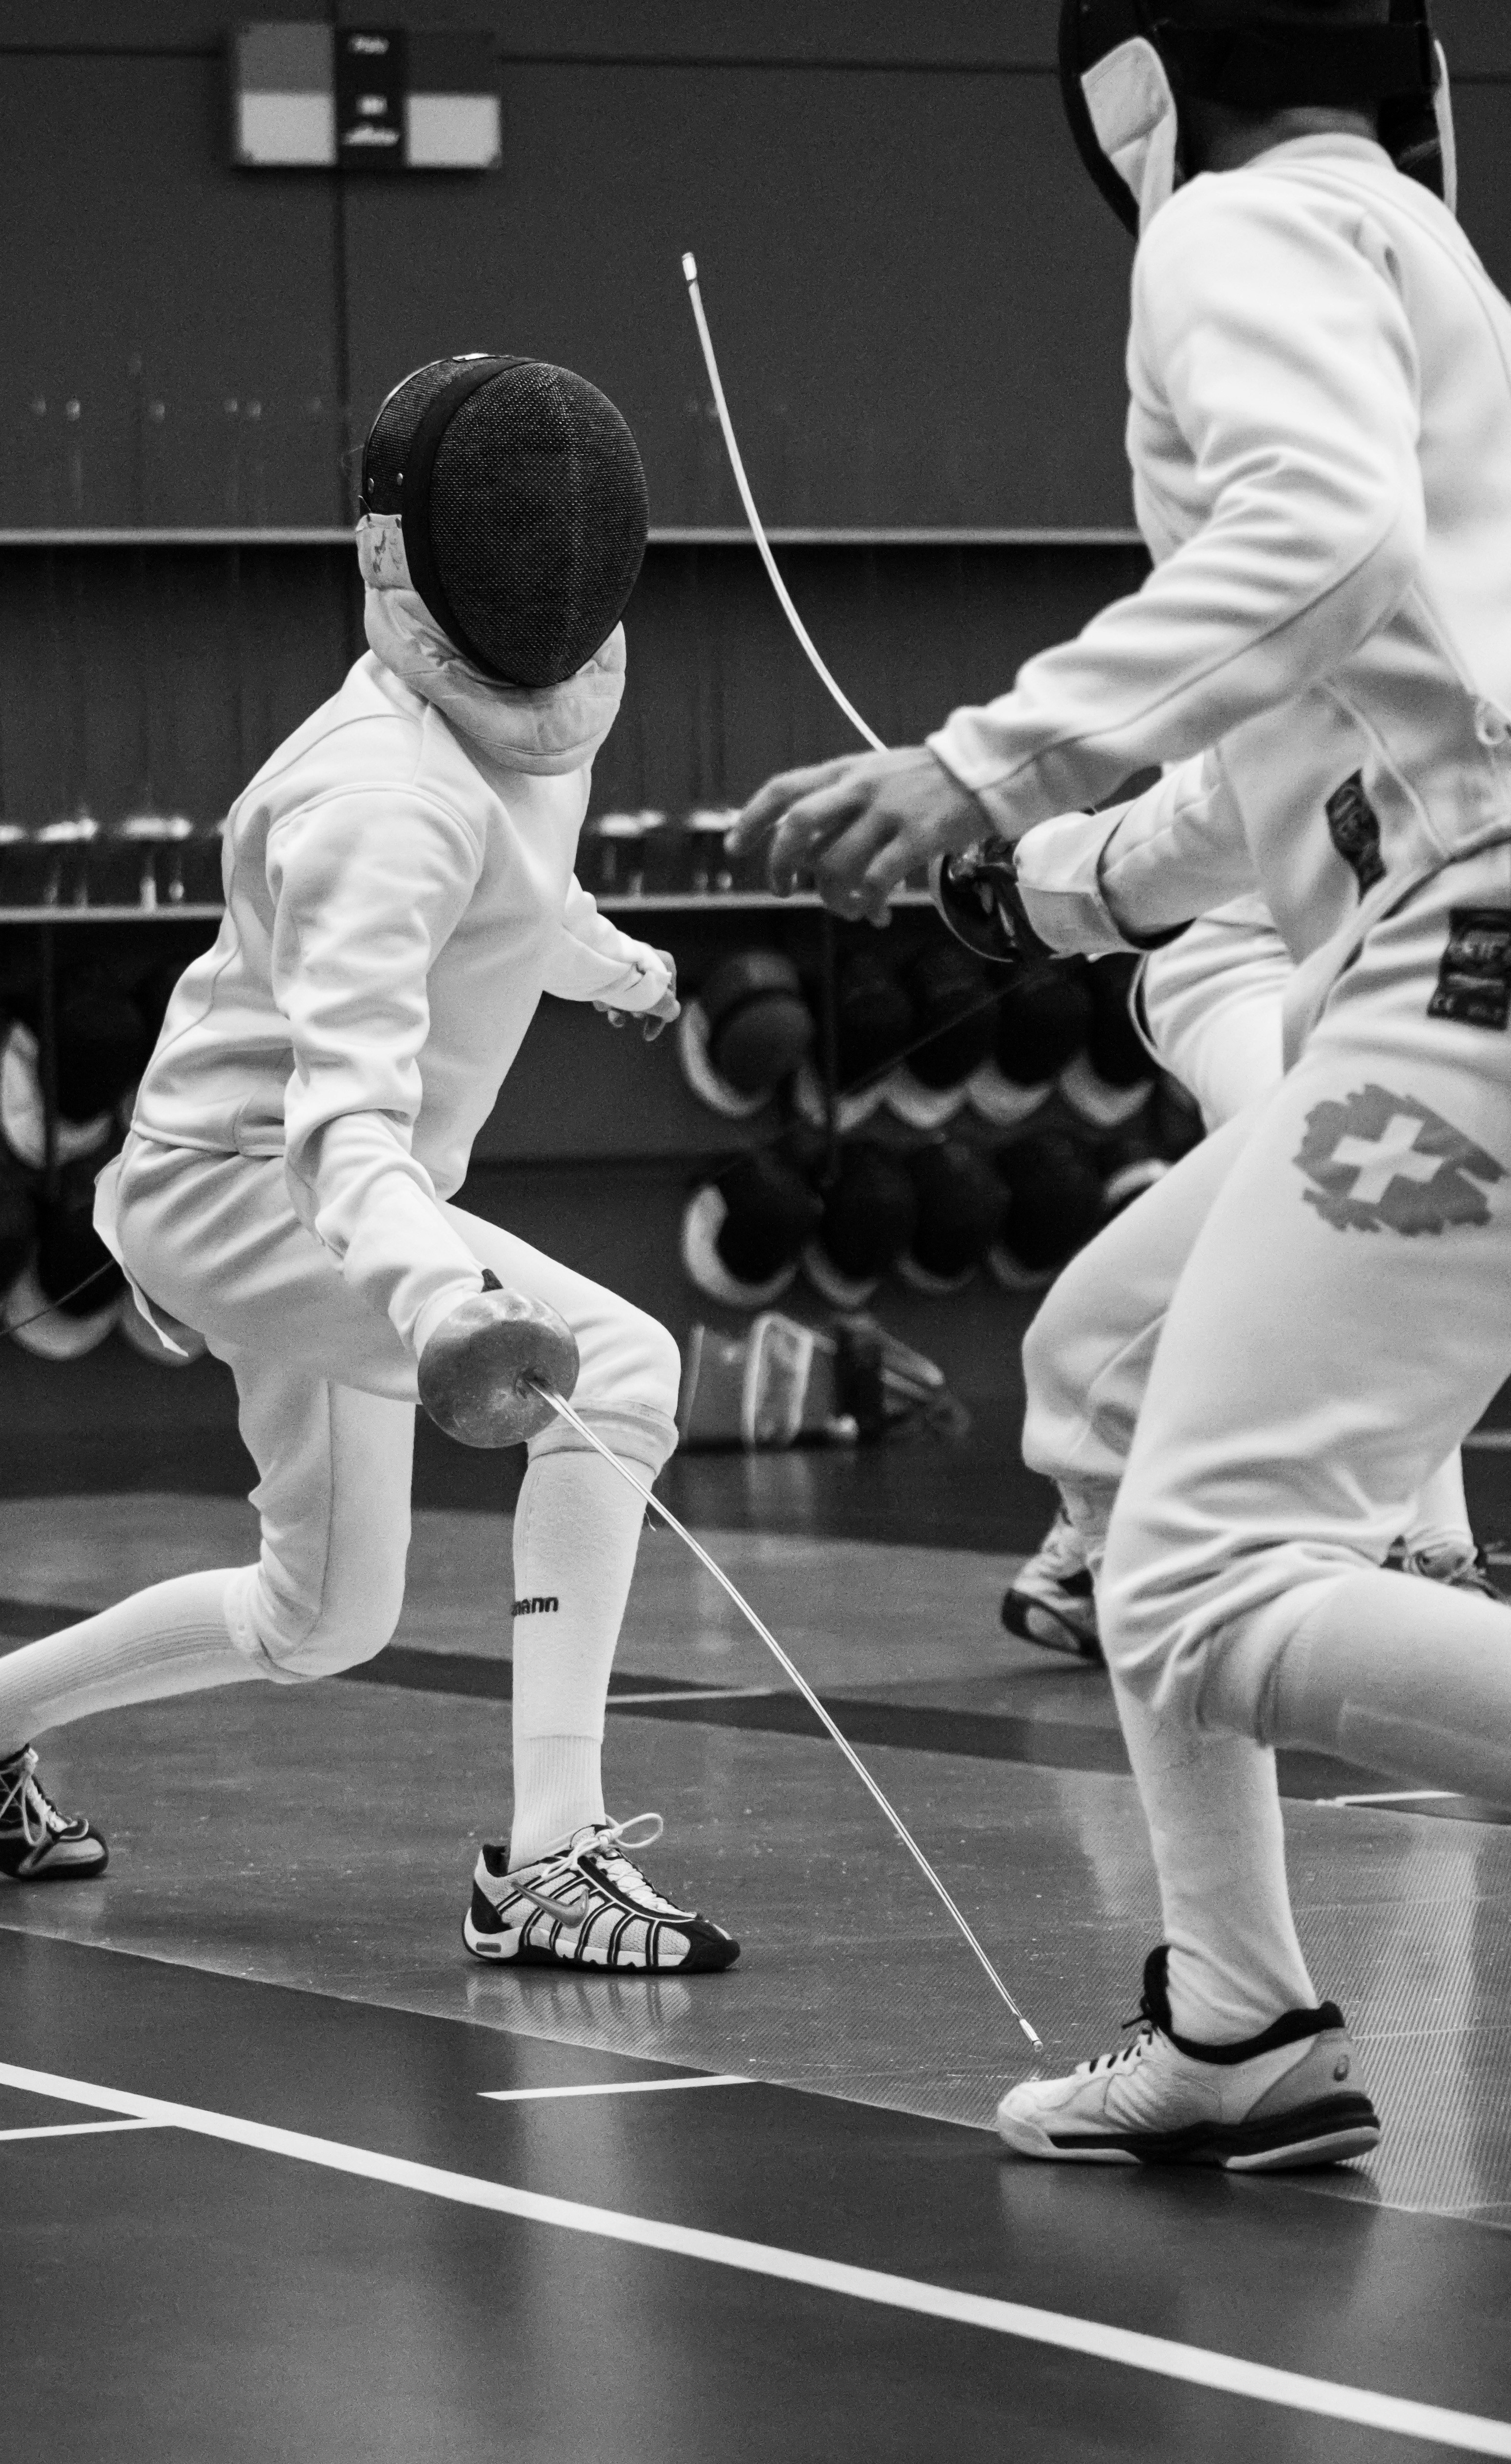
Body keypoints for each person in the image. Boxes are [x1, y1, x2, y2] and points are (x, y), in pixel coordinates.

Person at [731, 0, 1511, 2164]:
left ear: (1134, 88)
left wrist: (974, 758)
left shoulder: (1241, 234)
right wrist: (1030, 878)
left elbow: (1319, 541)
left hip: (1481, 977)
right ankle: (1238, 2016)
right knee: (1096, 1382)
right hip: (1437, 973)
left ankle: (1245, 2016)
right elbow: (1303, 745)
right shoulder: (1418, 263)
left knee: (1195, 1577)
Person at [0, 355, 738, 1979]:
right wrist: (447, 1302)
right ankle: (549, 1866)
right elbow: (345, 1129)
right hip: (252, 1189)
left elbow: (509, 882)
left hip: (330, 1196)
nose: (548, 549)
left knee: (321, 1617)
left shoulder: (533, 712)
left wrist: (610, 963)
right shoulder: (369, 797)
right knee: (615, 1367)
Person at [1005, 894, 1501, 1663]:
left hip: (1419, 978)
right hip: (1248, 958)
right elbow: (1190, 831)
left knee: (1263, 1265)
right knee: (1388, 1186)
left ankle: (1082, 1549)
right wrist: (1050, 881)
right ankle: (1434, 1559)